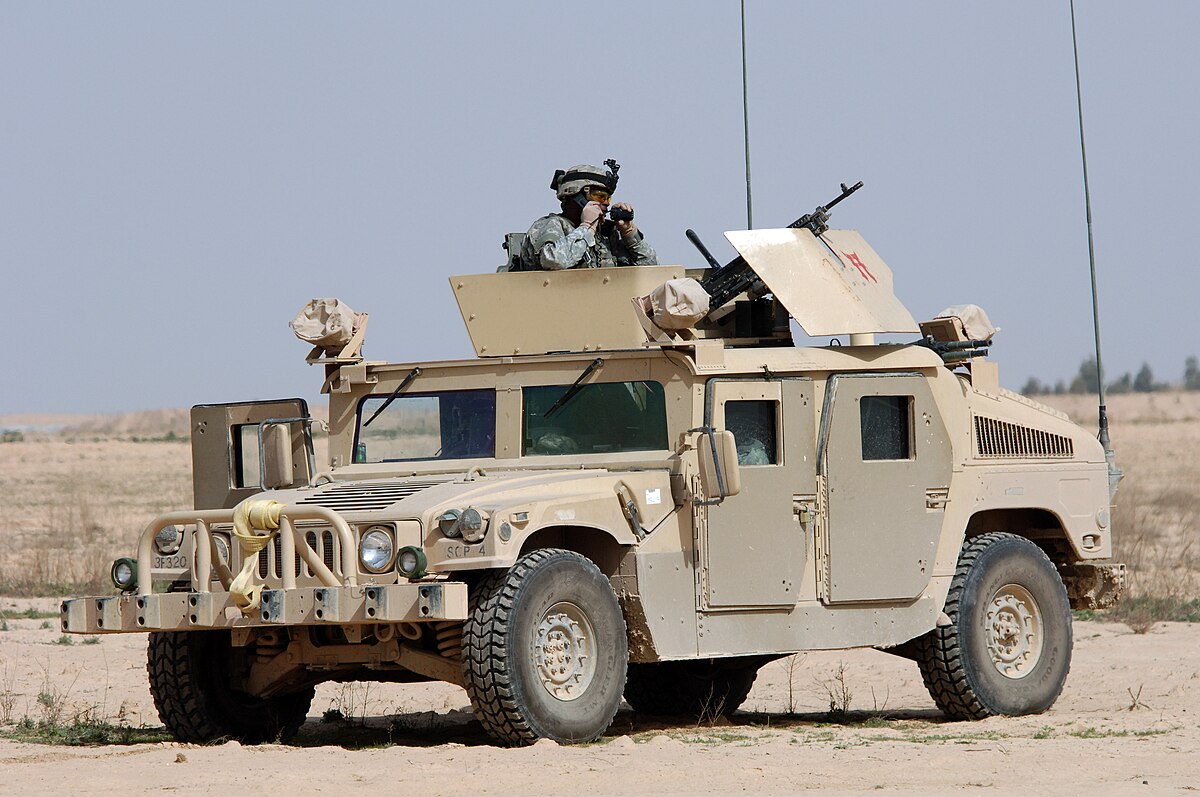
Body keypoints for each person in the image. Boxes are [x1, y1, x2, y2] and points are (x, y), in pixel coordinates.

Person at [518, 160, 658, 271]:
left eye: (608, 198)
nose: (606, 203)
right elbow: (552, 260)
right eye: (599, 196)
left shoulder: (605, 236)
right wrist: (586, 228)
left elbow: (651, 270)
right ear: (575, 195)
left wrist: (629, 234)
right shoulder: (551, 225)